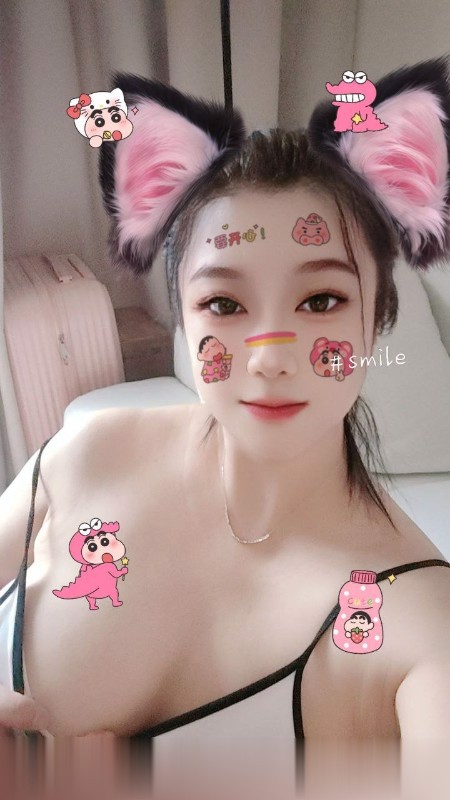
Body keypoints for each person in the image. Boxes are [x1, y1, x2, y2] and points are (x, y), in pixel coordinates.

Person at [1, 56, 450, 744]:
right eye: (224, 303)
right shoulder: (86, 453)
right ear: (183, 314)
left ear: (378, 315)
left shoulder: (414, 621)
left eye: (320, 300)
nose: (269, 358)